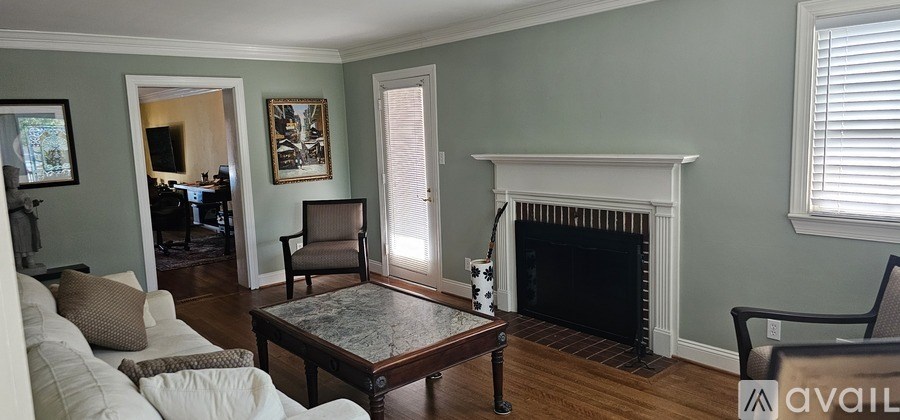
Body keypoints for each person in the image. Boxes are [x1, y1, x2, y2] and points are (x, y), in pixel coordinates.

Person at [4, 165, 42, 270]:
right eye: (9, 180)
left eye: (15, 179)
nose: (12, 182)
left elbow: (29, 208)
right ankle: (18, 264)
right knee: (15, 241)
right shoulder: (4, 195)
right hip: (12, 220)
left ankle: (30, 262)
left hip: (24, 220)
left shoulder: (23, 193)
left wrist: (28, 206)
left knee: (27, 240)